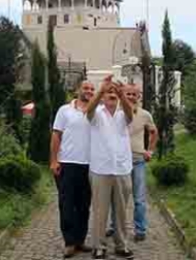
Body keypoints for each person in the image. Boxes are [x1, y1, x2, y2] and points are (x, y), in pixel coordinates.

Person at [86, 76, 135, 259]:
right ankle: (99, 246)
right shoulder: (96, 113)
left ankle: (121, 245)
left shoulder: (124, 114)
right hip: (101, 169)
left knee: (121, 211)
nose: (112, 95)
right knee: (100, 210)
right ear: (103, 96)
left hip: (122, 168)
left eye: (114, 92)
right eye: (109, 93)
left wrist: (122, 93)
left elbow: (131, 114)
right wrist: (101, 89)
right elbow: (88, 110)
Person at [107, 83, 157, 242]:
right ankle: (115, 227)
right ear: (123, 94)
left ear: (138, 97)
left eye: (133, 94)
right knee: (118, 198)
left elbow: (154, 132)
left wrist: (150, 150)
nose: (130, 97)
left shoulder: (145, 115)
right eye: (127, 94)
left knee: (139, 199)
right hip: (119, 163)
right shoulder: (116, 113)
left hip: (137, 161)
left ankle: (140, 229)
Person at [50, 81, 95, 258]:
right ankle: (69, 242)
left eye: (92, 89)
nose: (89, 91)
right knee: (66, 203)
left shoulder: (97, 111)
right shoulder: (64, 110)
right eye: (86, 88)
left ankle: (80, 240)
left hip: (90, 165)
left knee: (84, 205)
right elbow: (56, 135)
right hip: (67, 163)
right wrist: (54, 160)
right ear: (78, 90)